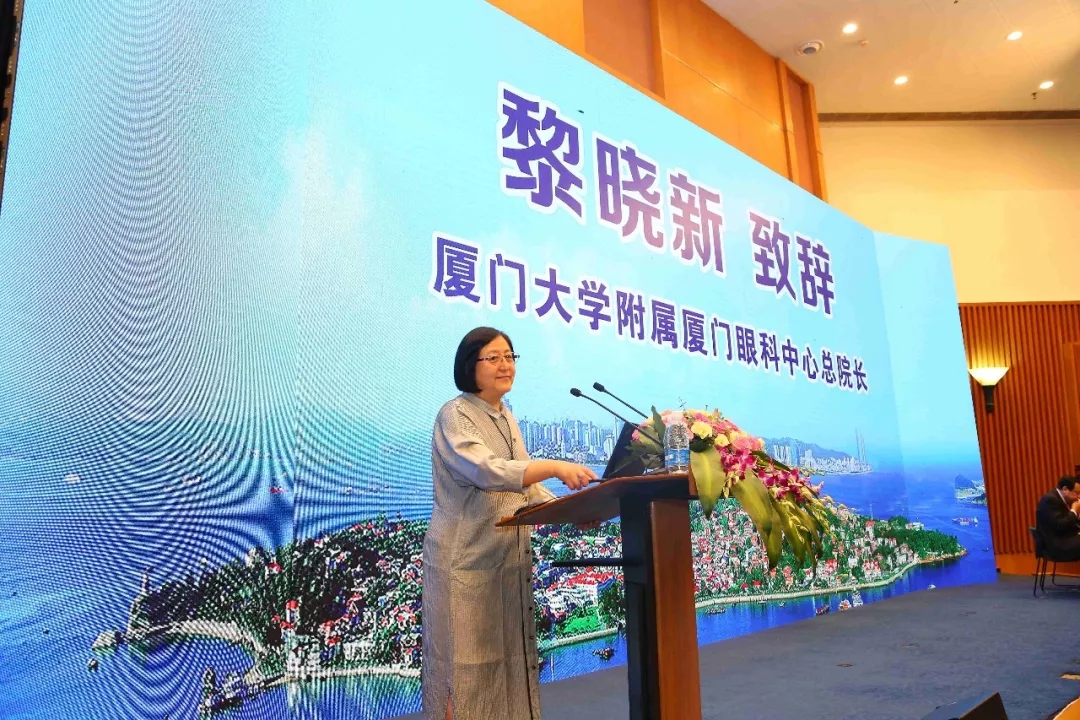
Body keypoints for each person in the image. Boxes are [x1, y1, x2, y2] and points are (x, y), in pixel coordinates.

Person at [421, 326, 598, 720]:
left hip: (505, 565)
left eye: (509, 357)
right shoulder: (455, 414)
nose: (505, 365)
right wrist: (555, 466)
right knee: (460, 672)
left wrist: (572, 512)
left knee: (505, 670)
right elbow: (487, 471)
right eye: (494, 358)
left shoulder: (506, 417)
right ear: (470, 365)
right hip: (464, 566)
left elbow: (526, 489)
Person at [1035, 476, 1080, 561]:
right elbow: (1060, 525)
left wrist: (1077, 512)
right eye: (1076, 493)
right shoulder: (1050, 500)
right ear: (1065, 489)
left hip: (1062, 539)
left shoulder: (1060, 499)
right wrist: (1074, 510)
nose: (1078, 497)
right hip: (1055, 546)